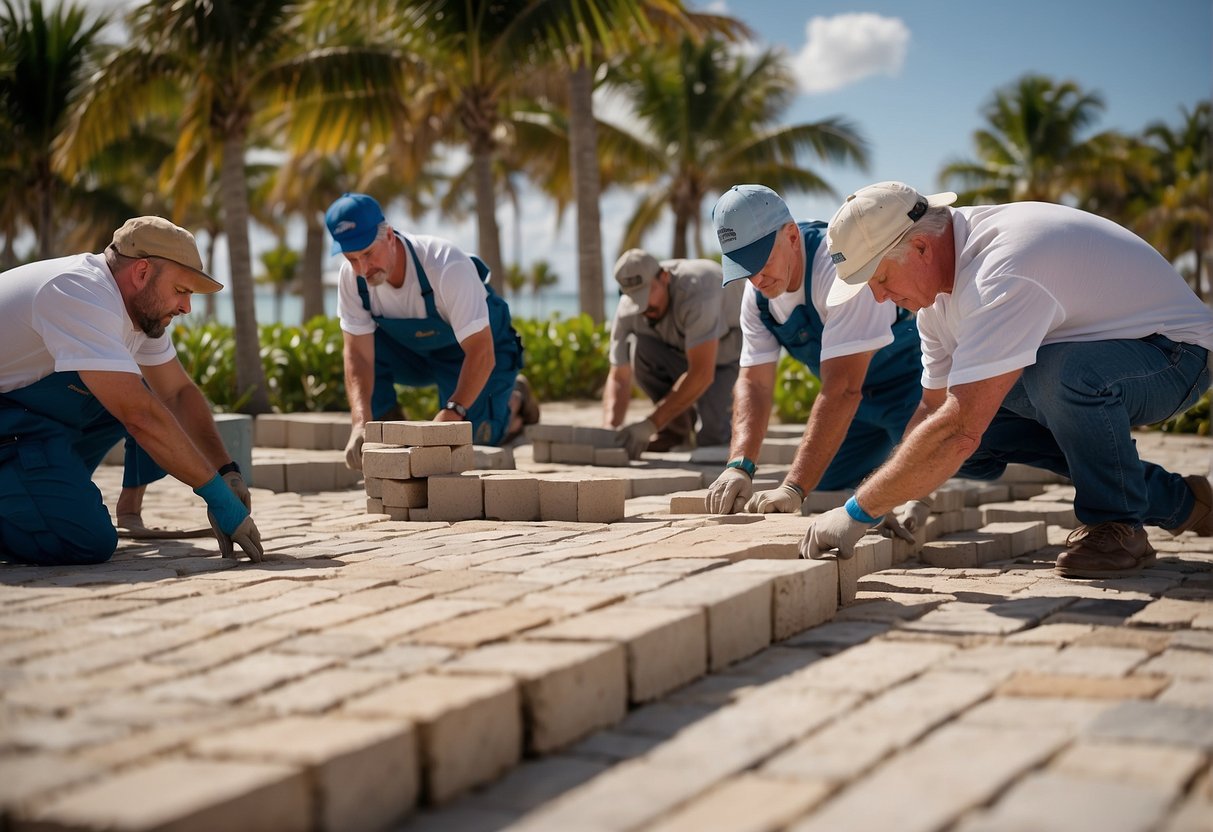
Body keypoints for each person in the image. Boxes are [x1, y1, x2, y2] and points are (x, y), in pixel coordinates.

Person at [802, 180, 1213, 579]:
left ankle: (1116, 525)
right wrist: (902, 489)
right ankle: (1183, 503)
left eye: (882, 279)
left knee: (1058, 378)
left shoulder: (1002, 269)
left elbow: (959, 428)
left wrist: (858, 510)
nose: (878, 297)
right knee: (978, 441)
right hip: (1099, 359)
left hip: (1175, 355)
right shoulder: (935, 309)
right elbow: (932, 410)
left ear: (921, 247)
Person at [0, 217, 264, 565]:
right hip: (12, 422)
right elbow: (139, 416)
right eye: (181, 291)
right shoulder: (78, 291)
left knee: (136, 388)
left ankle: (42, 489)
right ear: (141, 273)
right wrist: (215, 495)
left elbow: (178, 393)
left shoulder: (137, 316)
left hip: (28, 421)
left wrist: (226, 470)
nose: (187, 308)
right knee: (88, 539)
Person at [704, 184, 927, 529]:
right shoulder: (758, 297)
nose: (756, 278)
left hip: (914, 396)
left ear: (791, 235)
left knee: (920, 480)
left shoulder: (841, 269)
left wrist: (793, 488)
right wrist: (739, 464)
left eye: (760, 261)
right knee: (826, 490)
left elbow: (841, 389)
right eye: (743, 267)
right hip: (856, 413)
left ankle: (926, 493)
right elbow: (755, 384)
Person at [327, 193, 537, 469]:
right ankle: (389, 435)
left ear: (389, 235)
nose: (363, 268)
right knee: (367, 352)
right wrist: (360, 424)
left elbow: (481, 352)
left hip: (477, 351)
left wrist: (453, 412)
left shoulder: (446, 265)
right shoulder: (352, 279)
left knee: (475, 439)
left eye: (367, 253)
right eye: (351, 258)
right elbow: (359, 357)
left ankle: (514, 400)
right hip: (416, 355)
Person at [604, 249, 742, 458]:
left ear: (665, 277)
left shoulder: (699, 289)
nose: (643, 307)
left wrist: (651, 424)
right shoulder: (628, 308)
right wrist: (610, 432)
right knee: (640, 348)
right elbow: (619, 376)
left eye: (648, 293)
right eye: (635, 298)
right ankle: (676, 430)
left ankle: (723, 418)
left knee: (712, 440)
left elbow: (702, 374)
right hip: (683, 353)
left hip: (727, 355)